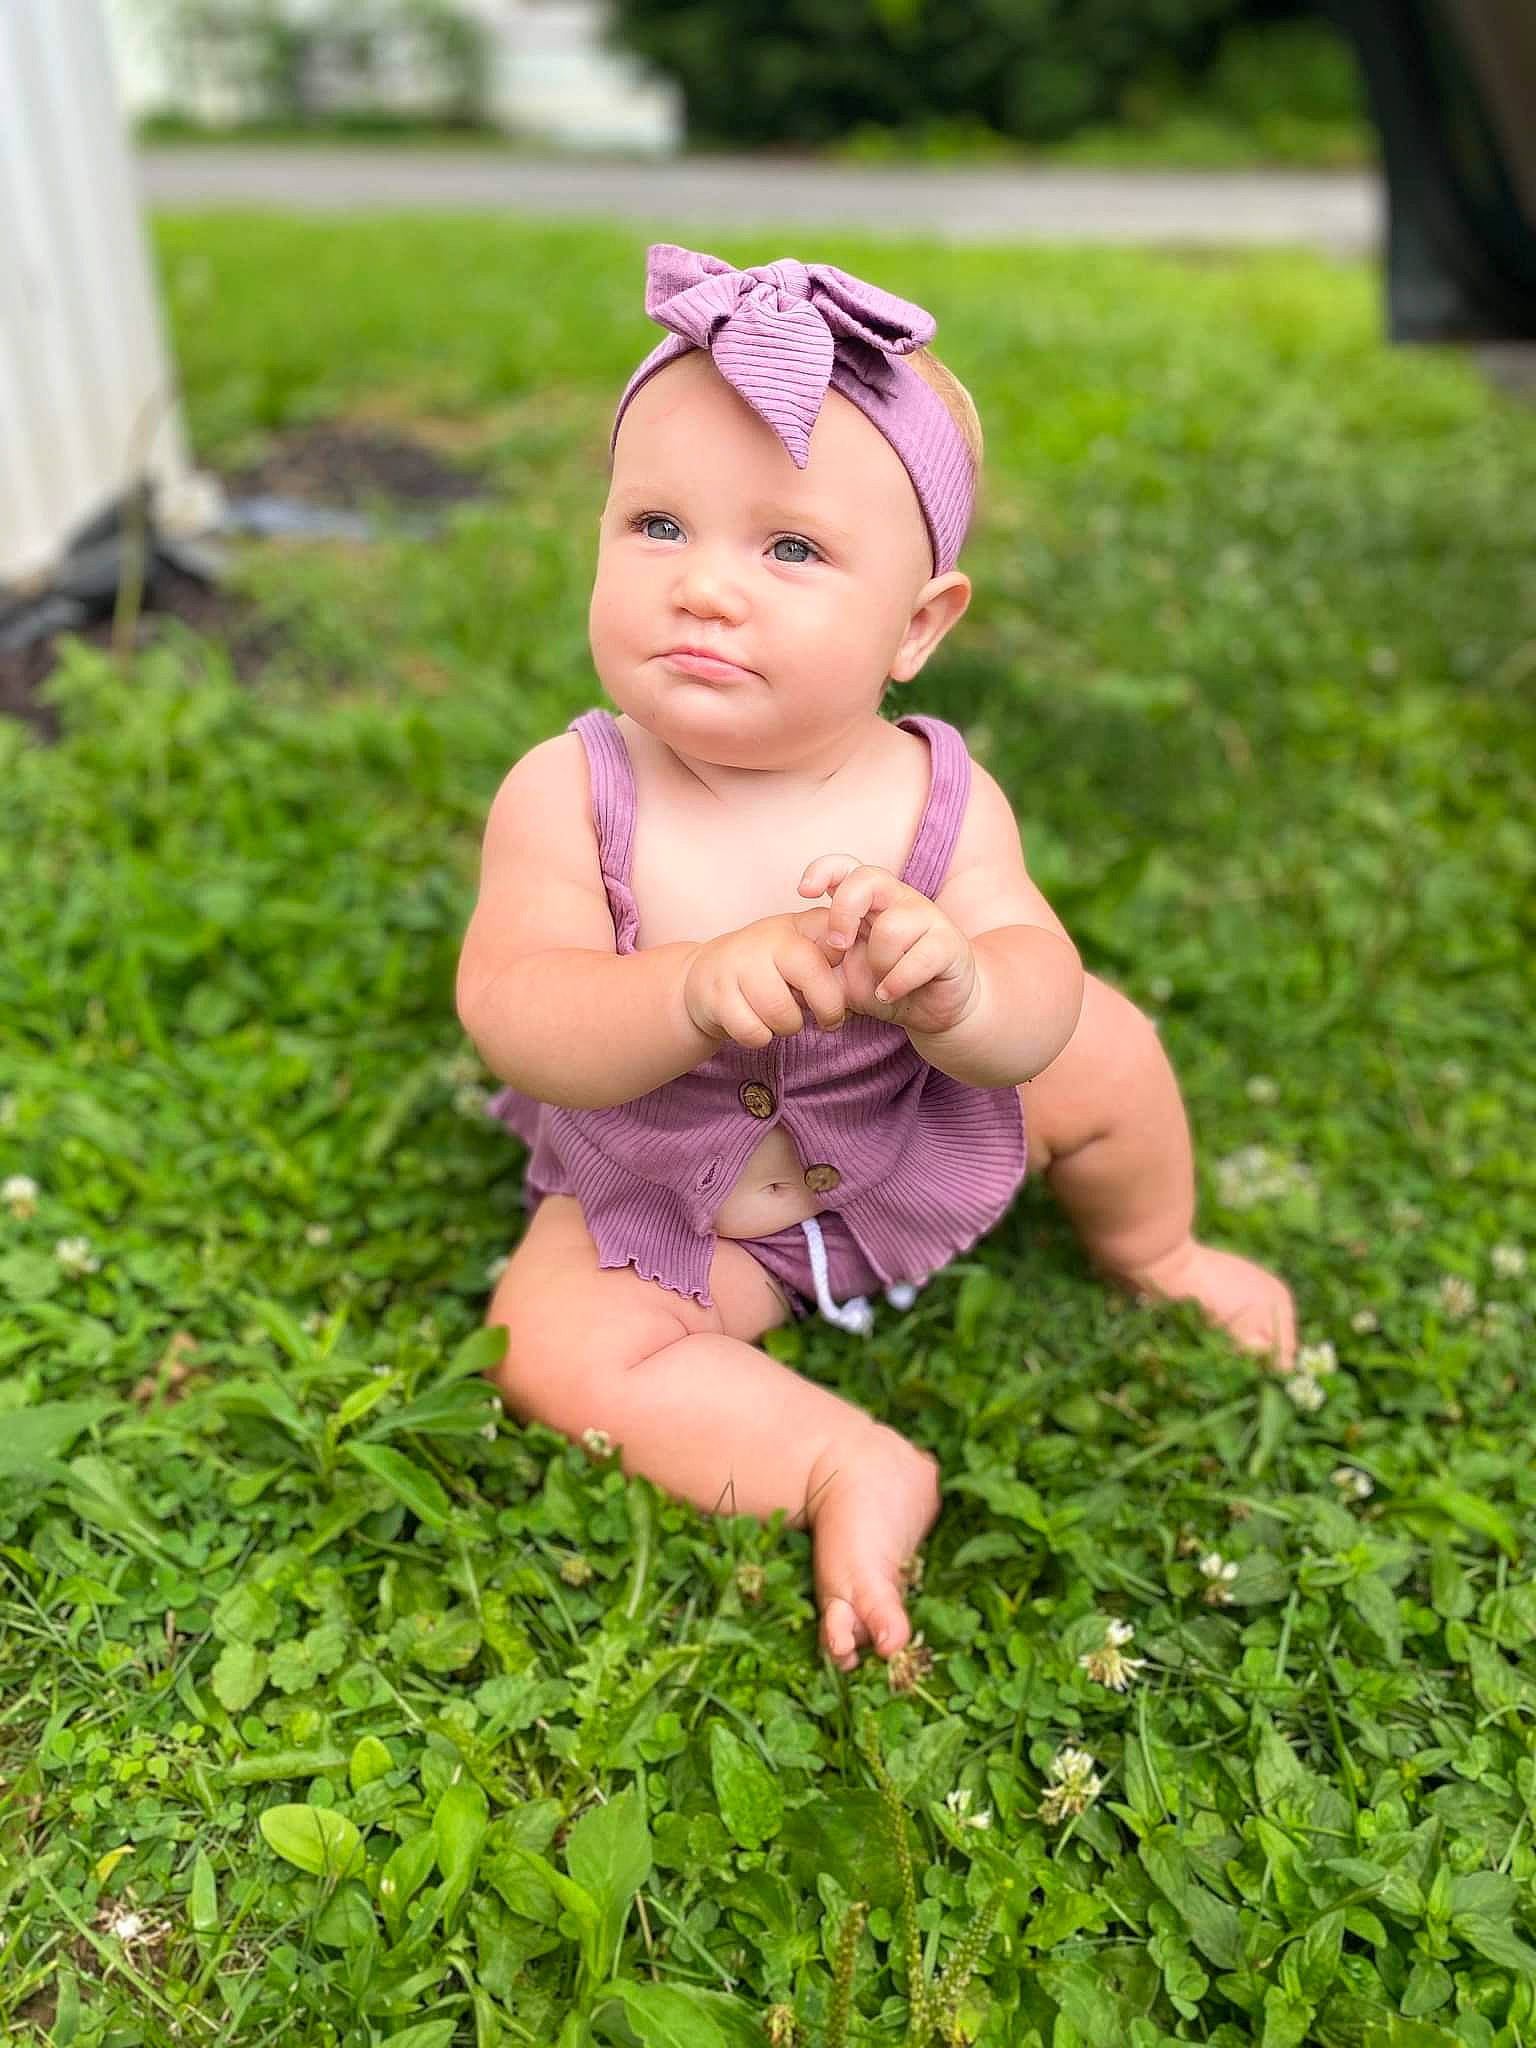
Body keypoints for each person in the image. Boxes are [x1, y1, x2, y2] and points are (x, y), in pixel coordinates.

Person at [456, 243, 1296, 1672]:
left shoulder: (937, 795)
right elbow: (517, 1011)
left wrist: (966, 988)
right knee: (543, 1340)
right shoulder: (570, 788)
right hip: (693, 1215)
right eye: (658, 526)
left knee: (1102, 1034)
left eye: (788, 549)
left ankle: (1158, 1245)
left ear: (919, 626)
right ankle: (847, 1464)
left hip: (914, 1134)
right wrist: (685, 989)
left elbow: (1031, 987)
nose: (706, 589)